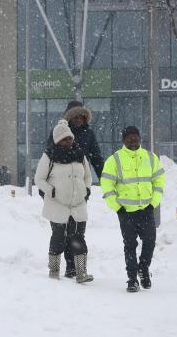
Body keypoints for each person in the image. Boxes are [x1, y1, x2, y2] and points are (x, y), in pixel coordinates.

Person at [101, 125, 165, 293]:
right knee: (129, 245)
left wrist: (154, 203)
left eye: (135, 137)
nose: (132, 140)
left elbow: (159, 181)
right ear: (123, 140)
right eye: (129, 138)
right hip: (126, 212)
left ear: (140, 138)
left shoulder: (150, 158)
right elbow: (107, 185)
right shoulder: (114, 160)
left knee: (150, 242)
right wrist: (117, 207)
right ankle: (132, 279)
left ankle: (143, 269)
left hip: (146, 209)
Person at [45, 100, 105, 277]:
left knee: (77, 231)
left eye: (82, 116)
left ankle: (73, 266)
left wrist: (104, 179)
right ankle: (55, 268)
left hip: (78, 190)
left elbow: (96, 158)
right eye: (76, 116)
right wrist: (47, 190)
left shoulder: (89, 134)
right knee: (60, 231)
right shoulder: (58, 133)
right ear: (69, 118)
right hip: (59, 191)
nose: (79, 119)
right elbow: (47, 158)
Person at [35, 119, 94, 283]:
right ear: (57, 140)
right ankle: (54, 270)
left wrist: (87, 189)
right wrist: (51, 191)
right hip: (57, 205)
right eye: (64, 139)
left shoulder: (80, 154)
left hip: (78, 204)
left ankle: (80, 272)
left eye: (69, 138)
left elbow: (88, 176)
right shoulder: (49, 156)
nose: (68, 141)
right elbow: (39, 179)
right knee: (58, 237)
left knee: (78, 237)